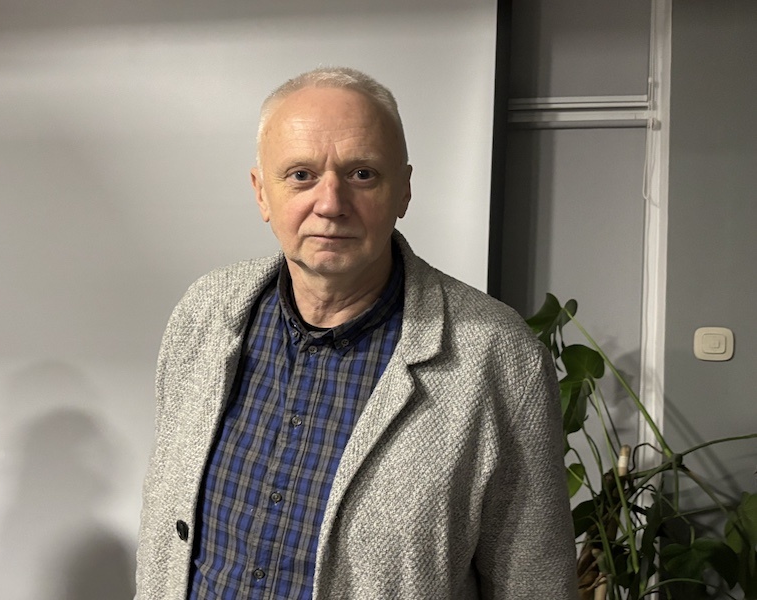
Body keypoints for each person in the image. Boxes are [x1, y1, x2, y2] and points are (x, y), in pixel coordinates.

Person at [136, 67, 576, 600]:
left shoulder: (499, 358)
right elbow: (167, 527)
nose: (330, 203)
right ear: (261, 193)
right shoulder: (204, 314)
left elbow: (534, 583)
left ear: (404, 190)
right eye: (300, 175)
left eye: (362, 174)